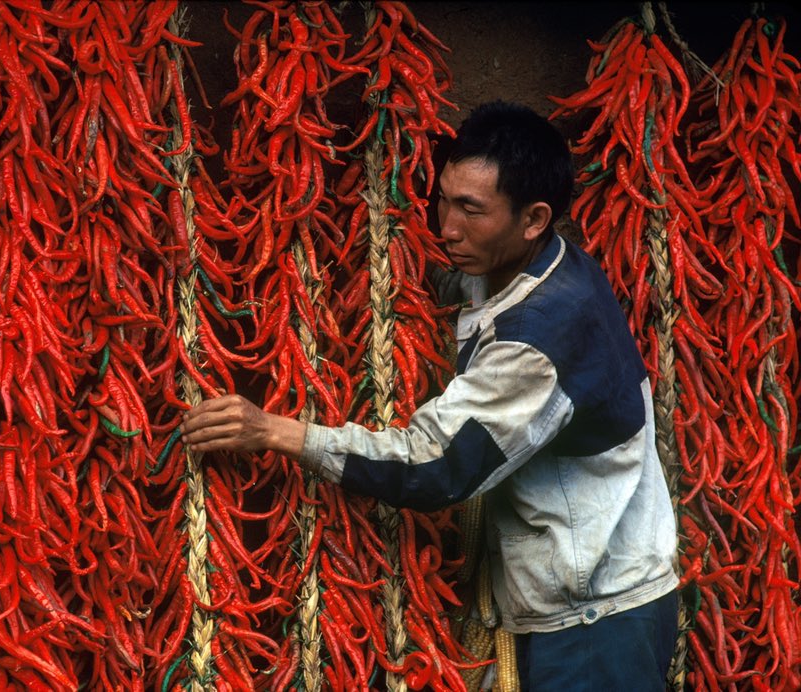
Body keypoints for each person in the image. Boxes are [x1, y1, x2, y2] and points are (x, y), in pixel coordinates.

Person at [180, 101, 679, 690]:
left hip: (595, 623)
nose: (446, 226)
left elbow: (438, 466)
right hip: (574, 597)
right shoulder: (536, 263)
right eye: (443, 199)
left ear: (534, 217)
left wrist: (274, 432)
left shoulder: (544, 338)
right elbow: (466, 286)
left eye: (471, 210)